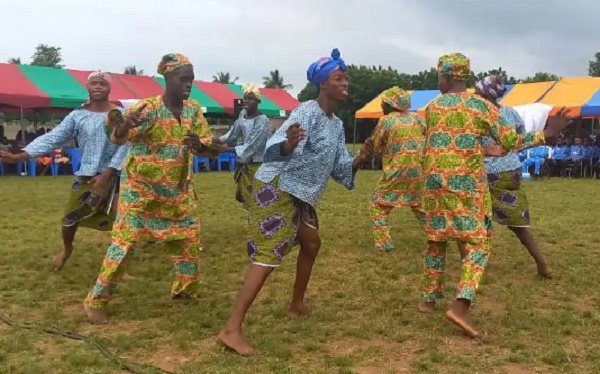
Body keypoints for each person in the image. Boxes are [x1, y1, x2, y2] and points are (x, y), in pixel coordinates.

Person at [218, 49, 374, 356]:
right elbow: (276, 147)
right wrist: (289, 143)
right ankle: (231, 328)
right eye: (338, 78)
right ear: (323, 84)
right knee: (270, 252)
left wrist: (361, 159)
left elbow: (340, 168)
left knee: (311, 243)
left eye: (346, 78)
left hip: (299, 194)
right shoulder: (306, 111)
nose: (346, 83)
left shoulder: (335, 124)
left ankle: (297, 304)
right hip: (277, 186)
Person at [418, 53, 571, 338]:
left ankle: (429, 298)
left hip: (434, 184)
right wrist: (546, 133)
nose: (438, 80)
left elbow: (432, 141)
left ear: (449, 76)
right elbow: (510, 141)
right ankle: (461, 305)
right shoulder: (481, 107)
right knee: (479, 245)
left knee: (437, 239)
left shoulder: (431, 107)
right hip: (467, 185)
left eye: (439, 75)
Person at [84, 53, 219, 325]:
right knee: (124, 244)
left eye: (191, 79)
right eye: (183, 78)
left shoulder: (193, 110)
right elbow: (118, 139)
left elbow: (211, 149)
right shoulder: (148, 109)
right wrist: (124, 125)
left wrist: (201, 146)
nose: (188, 84)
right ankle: (95, 300)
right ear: (167, 78)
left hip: (177, 192)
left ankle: (184, 291)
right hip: (141, 192)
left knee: (188, 238)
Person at [0, 72, 129, 270]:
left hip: (119, 173)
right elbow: (53, 137)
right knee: (70, 218)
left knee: (124, 222)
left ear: (109, 88)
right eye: (93, 83)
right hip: (88, 174)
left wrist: (109, 172)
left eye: (102, 83)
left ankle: (120, 267)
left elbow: (127, 144)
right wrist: (21, 156)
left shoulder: (120, 114)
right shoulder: (78, 115)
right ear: (87, 87)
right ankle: (67, 250)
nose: (97, 86)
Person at [473, 75, 551, 278]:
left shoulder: (474, 114)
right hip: (511, 171)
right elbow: (521, 137)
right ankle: (541, 263)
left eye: (477, 92)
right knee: (516, 222)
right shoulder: (510, 112)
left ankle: (472, 267)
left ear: (484, 94)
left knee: (475, 219)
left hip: (485, 171)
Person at [369, 86, 425, 252]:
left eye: (383, 103)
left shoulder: (386, 121)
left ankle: (384, 244)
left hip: (396, 171)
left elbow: (377, 146)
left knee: (378, 205)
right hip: (419, 172)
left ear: (391, 104)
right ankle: (437, 236)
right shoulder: (418, 118)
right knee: (421, 206)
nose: (381, 106)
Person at [212, 83, 271, 206]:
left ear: (257, 101)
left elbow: (253, 146)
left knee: (257, 198)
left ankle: (261, 218)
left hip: (259, 164)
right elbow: (232, 134)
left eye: (251, 98)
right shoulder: (242, 114)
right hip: (245, 162)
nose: (247, 101)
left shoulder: (262, 120)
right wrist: (211, 139)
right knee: (241, 196)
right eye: (245, 98)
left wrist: (226, 149)